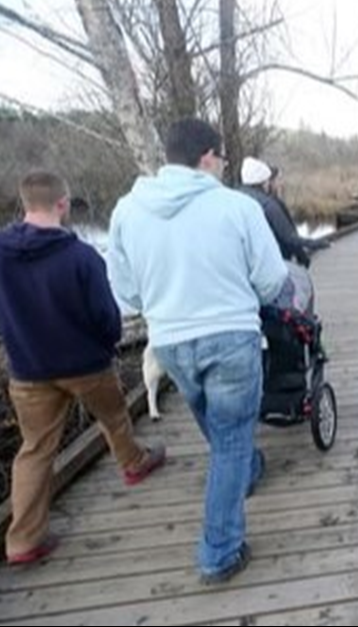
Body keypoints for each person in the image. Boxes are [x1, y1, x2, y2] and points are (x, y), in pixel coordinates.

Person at [106, 119, 290, 584]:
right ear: (207, 156)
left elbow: (126, 291)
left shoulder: (128, 211)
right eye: (223, 157)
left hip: (169, 342)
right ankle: (219, 551)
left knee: (217, 424)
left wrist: (167, 304)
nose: (224, 165)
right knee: (229, 438)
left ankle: (246, 468)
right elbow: (272, 280)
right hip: (230, 337)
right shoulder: (236, 207)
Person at [0, 171, 166, 566]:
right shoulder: (81, 257)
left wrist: (19, 342)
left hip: (27, 370)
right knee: (114, 418)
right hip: (85, 365)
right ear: (62, 204)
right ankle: (133, 464)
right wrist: (104, 345)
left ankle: (22, 542)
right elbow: (105, 318)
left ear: (24, 203)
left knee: (34, 450)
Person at [238, 156, 328, 268]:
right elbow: (288, 237)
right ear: (265, 182)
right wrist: (313, 246)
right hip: (275, 262)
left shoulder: (234, 200)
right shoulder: (270, 205)